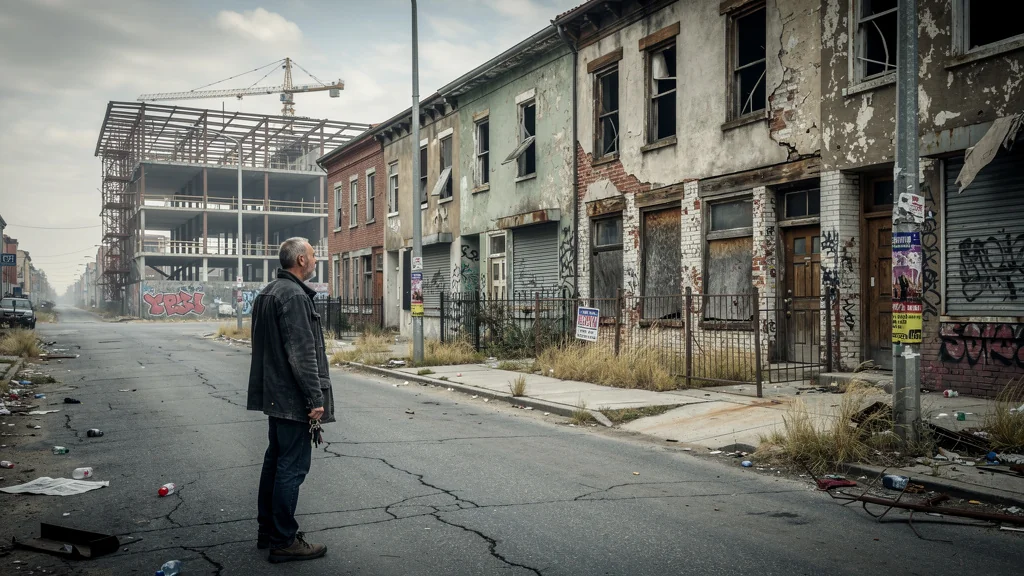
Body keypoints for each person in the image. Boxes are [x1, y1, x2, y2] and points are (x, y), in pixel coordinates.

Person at [247, 237, 334, 563]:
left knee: (275, 462)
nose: (315, 260)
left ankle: (268, 531)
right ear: (300, 260)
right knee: (291, 468)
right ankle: (284, 540)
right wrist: (314, 398)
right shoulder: (295, 297)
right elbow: (302, 355)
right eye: (312, 255)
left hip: (275, 395)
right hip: (293, 399)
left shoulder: (269, 292)